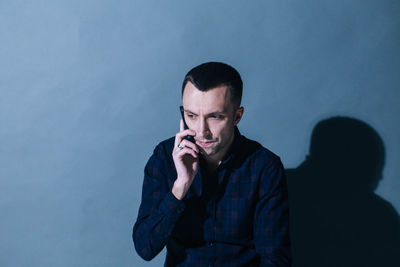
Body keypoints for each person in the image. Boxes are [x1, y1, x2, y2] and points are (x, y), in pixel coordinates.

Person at [132, 62, 291, 266]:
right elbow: (145, 247)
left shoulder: (264, 167)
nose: (201, 131)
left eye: (215, 117)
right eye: (191, 116)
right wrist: (179, 188)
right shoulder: (164, 157)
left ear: (237, 116)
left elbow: (275, 259)